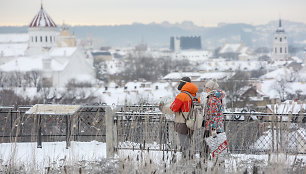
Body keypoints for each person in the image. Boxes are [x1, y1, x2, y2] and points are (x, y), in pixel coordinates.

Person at [159, 77, 200, 153]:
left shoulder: (182, 96)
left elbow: (172, 109)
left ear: (183, 84)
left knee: (184, 145)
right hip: (192, 122)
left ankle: (186, 162)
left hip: (182, 123)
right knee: (189, 144)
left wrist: (162, 108)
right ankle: (191, 160)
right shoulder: (196, 96)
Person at [202, 79, 225, 158]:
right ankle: (217, 162)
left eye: (207, 87)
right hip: (217, 126)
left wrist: (213, 128)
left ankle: (204, 163)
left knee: (206, 148)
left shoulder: (213, 100)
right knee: (217, 148)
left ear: (211, 89)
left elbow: (213, 115)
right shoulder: (217, 98)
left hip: (211, 127)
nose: (206, 89)